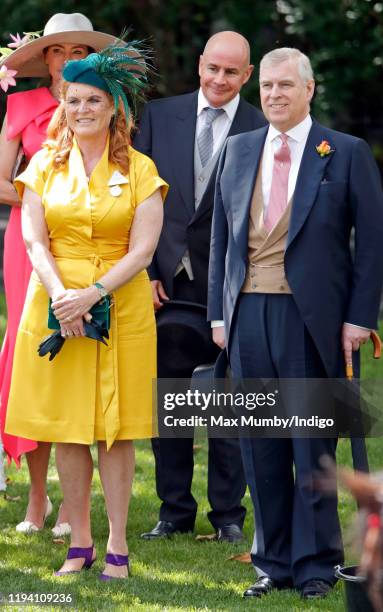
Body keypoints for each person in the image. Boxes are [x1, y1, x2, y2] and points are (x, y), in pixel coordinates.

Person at [208, 48, 383, 598]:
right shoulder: (238, 150)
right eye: (266, 86)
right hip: (246, 316)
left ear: (309, 89)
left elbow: (375, 241)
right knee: (259, 443)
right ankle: (273, 562)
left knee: (310, 441)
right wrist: (220, 313)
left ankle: (315, 564)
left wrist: (359, 318)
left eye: (286, 85)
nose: (274, 95)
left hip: (311, 320)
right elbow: (221, 235)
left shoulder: (345, 152)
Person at [5, 42, 167, 578]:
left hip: (118, 303)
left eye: (93, 100)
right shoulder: (44, 167)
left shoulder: (142, 169)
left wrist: (93, 293)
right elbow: (34, 241)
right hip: (55, 300)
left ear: (114, 107)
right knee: (68, 427)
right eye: (73, 101)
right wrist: (60, 296)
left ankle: (118, 544)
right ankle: (80, 541)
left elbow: (143, 251)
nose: (81, 110)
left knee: (115, 430)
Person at [135, 31, 267, 541]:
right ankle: (173, 511)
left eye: (231, 72)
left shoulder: (262, 125)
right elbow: (134, 199)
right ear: (199, 64)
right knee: (167, 401)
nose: (219, 79)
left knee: (227, 400)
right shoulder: (157, 116)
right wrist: (144, 272)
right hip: (162, 283)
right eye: (213, 68)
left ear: (247, 76)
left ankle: (229, 516)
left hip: (231, 287)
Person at [0, 13, 118, 536]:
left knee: (81, 365)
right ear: (43, 58)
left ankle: (75, 507)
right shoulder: (20, 106)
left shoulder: (109, 110)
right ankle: (37, 500)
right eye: (56, 51)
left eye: (77, 51)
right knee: (35, 365)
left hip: (91, 244)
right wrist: (42, 205)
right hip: (28, 247)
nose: (67, 60)